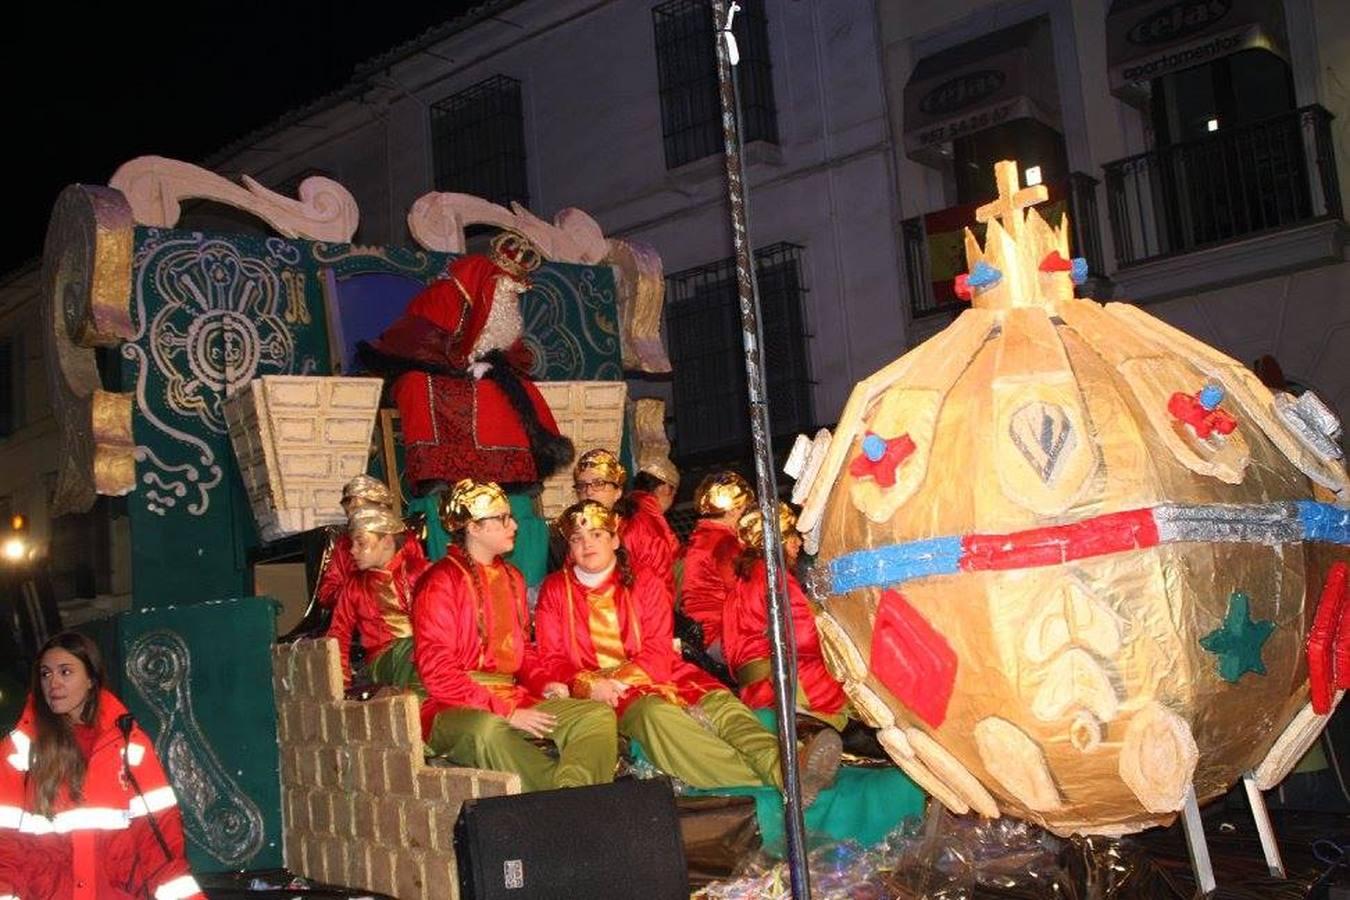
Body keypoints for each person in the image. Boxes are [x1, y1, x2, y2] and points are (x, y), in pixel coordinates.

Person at [533, 501, 841, 802]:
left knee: (725, 707)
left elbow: (656, 649)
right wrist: (589, 686)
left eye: (596, 534)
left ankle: (788, 768)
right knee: (658, 717)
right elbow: (552, 659)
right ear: (569, 548)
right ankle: (773, 781)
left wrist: (620, 679)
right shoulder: (555, 589)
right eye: (577, 539)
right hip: (611, 696)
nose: (587, 544)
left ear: (614, 538)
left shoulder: (645, 580)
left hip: (664, 673)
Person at [412, 479, 617, 792]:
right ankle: (567, 799)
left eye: (510, 517)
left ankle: (571, 793)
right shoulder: (440, 581)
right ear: (474, 527)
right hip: (452, 705)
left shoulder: (513, 578)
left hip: (513, 695)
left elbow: (523, 654)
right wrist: (505, 711)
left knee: (594, 716)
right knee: (486, 731)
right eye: (502, 518)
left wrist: (544, 683)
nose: (514, 525)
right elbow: (438, 673)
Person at [358, 232, 573, 494]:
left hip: (475, 378)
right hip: (434, 370)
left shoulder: (501, 314)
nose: (511, 297)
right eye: (507, 287)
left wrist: (493, 365)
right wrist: (457, 364)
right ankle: (434, 474)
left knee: (511, 390)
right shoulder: (446, 296)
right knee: (418, 385)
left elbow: (512, 355)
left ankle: (515, 476)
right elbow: (416, 341)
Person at [0, 631, 203, 900]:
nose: (53, 683)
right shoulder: (20, 750)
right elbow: (6, 851)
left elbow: (159, 848)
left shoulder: (129, 746)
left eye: (66, 672)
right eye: (46, 674)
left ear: (91, 680)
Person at [725, 502, 848, 730]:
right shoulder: (775, 577)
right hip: (790, 685)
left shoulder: (742, 582)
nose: (799, 542)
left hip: (754, 690)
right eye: (793, 536)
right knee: (855, 686)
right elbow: (802, 637)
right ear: (778, 539)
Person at [325, 505, 429, 690]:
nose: (352, 551)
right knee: (415, 648)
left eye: (361, 543)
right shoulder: (354, 586)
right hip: (382, 660)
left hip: (425, 652)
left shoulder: (418, 571)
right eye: (352, 544)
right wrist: (342, 684)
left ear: (387, 542)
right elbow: (338, 636)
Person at [572, 449, 680, 597]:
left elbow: (659, 586)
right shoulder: (577, 531)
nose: (589, 492)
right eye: (582, 486)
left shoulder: (637, 526)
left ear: (618, 491)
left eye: (599, 483)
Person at [679, 472, 756, 655]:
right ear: (733, 510)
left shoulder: (702, 536)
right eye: (744, 508)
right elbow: (745, 592)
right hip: (720, 634)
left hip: (701, 632)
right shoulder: (725, 543)